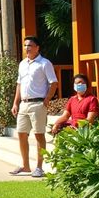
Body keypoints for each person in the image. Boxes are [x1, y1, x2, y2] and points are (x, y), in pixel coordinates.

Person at [10, 36, 59, 178]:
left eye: (30, 45)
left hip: (38, 104)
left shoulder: (45, 63)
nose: (27, 48)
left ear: (37, 48)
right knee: (21, 134)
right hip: (23, 104)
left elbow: (53, 82)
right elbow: (19, 84)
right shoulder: (22, 64)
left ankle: (39, 167)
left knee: (38, 134)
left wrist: (47, 98)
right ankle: (25, 166)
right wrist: (15, 103)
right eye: (25, 45)